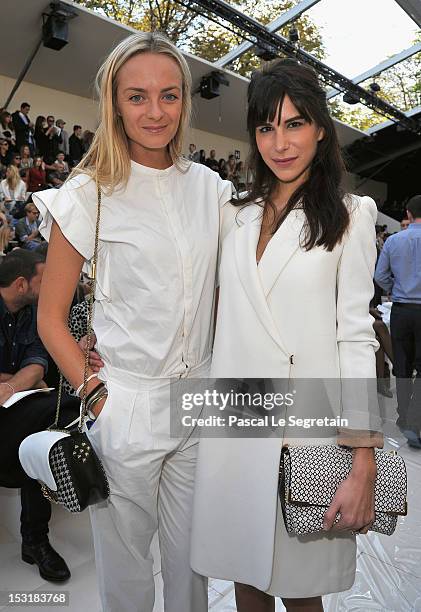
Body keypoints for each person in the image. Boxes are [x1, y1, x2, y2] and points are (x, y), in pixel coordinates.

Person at [33, 31, 232, 612]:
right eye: (137, 96)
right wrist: (97, 397)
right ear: (114, 103)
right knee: (126, 573)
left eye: (168, 95)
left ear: (184, 103)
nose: (155, 111)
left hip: (199, 398)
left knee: (195, 564)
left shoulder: (212, 189)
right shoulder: (88, 193)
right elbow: (50, 318)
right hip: (126, 402)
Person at [191, 58, 383, 612]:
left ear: (321, 128)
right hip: (237, 424)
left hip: (309, 431)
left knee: (301, 591)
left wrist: (362, 453)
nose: (280, 142)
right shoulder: (236, 215)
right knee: (245, 578)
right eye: (266, 127)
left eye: (295, 123)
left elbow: (356, 337)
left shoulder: (350, 215)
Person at [0, 249, 79, 582]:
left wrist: (11, 383)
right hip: (18, 403)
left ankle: (35, 540)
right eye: (43, 280)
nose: (52, 286)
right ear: (21, 284)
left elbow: (36, 362)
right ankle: (34, 540)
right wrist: (23, 378)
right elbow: (32, 371)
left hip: (18, 404)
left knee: (49, 428)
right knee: (45, 424)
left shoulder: (32, 312)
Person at [374, 195, 421, 448]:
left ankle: (404, 418)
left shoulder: (393, 240)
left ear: (408, 213)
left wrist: (396, 288)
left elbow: (380, 275)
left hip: (401, 309)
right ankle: (416, 421)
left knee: (401, 366)